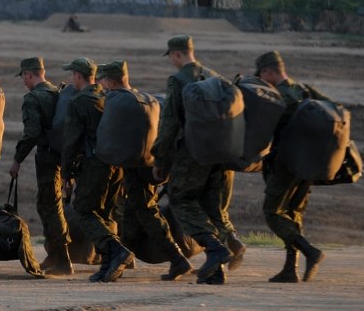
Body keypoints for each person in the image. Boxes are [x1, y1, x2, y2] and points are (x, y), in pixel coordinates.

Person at [96, 60, 191, 282]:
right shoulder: (143, 98)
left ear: (111, 81)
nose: (101, 84)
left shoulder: (120, 102)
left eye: (103, 80)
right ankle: (122, 259)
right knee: (131, 215)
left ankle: (177, 258)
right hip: (148, 166)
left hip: (137, 170)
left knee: (146, 212)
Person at [151, 36, 234, 285]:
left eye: (171, 56)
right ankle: (217, 271)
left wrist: (160, 159)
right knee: (211, 207)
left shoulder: (178, 80)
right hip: (219, 153)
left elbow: (169, 122)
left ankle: (215, 248)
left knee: (181, 199)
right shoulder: (214, 77)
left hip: (192, 153)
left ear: (177, 54)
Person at [256, 51, 331, 282]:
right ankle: (291, 268)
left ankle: (310, 251)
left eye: (261, 75)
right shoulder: (305, 90)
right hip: (309, 164)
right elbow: (333, 108)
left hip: (286, 163)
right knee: (293, 213)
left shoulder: (277, 95)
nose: (261, 79)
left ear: (268, 72)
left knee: (273, 212)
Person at [60, 57, 133, 283]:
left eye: (72, 74)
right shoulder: (108, 96)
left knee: (84, 210)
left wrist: (66, 173)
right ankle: (108, 265)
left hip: (94, 165)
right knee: (103, 215)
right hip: (116, 165)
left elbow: (71, 141)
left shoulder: (79, 101)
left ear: (78, 76)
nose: (71, 78)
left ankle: (117, 251)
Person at [8, 57, 72, 276]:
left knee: (50, 206)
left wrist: (17, 160)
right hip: (62, 157)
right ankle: (54, 254)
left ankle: (63, 259)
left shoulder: (33, 98)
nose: (23, 82)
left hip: (47, 158)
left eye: (23, 77)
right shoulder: (57, 92)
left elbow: (32, 133)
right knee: (47, 204)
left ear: (29, 74)